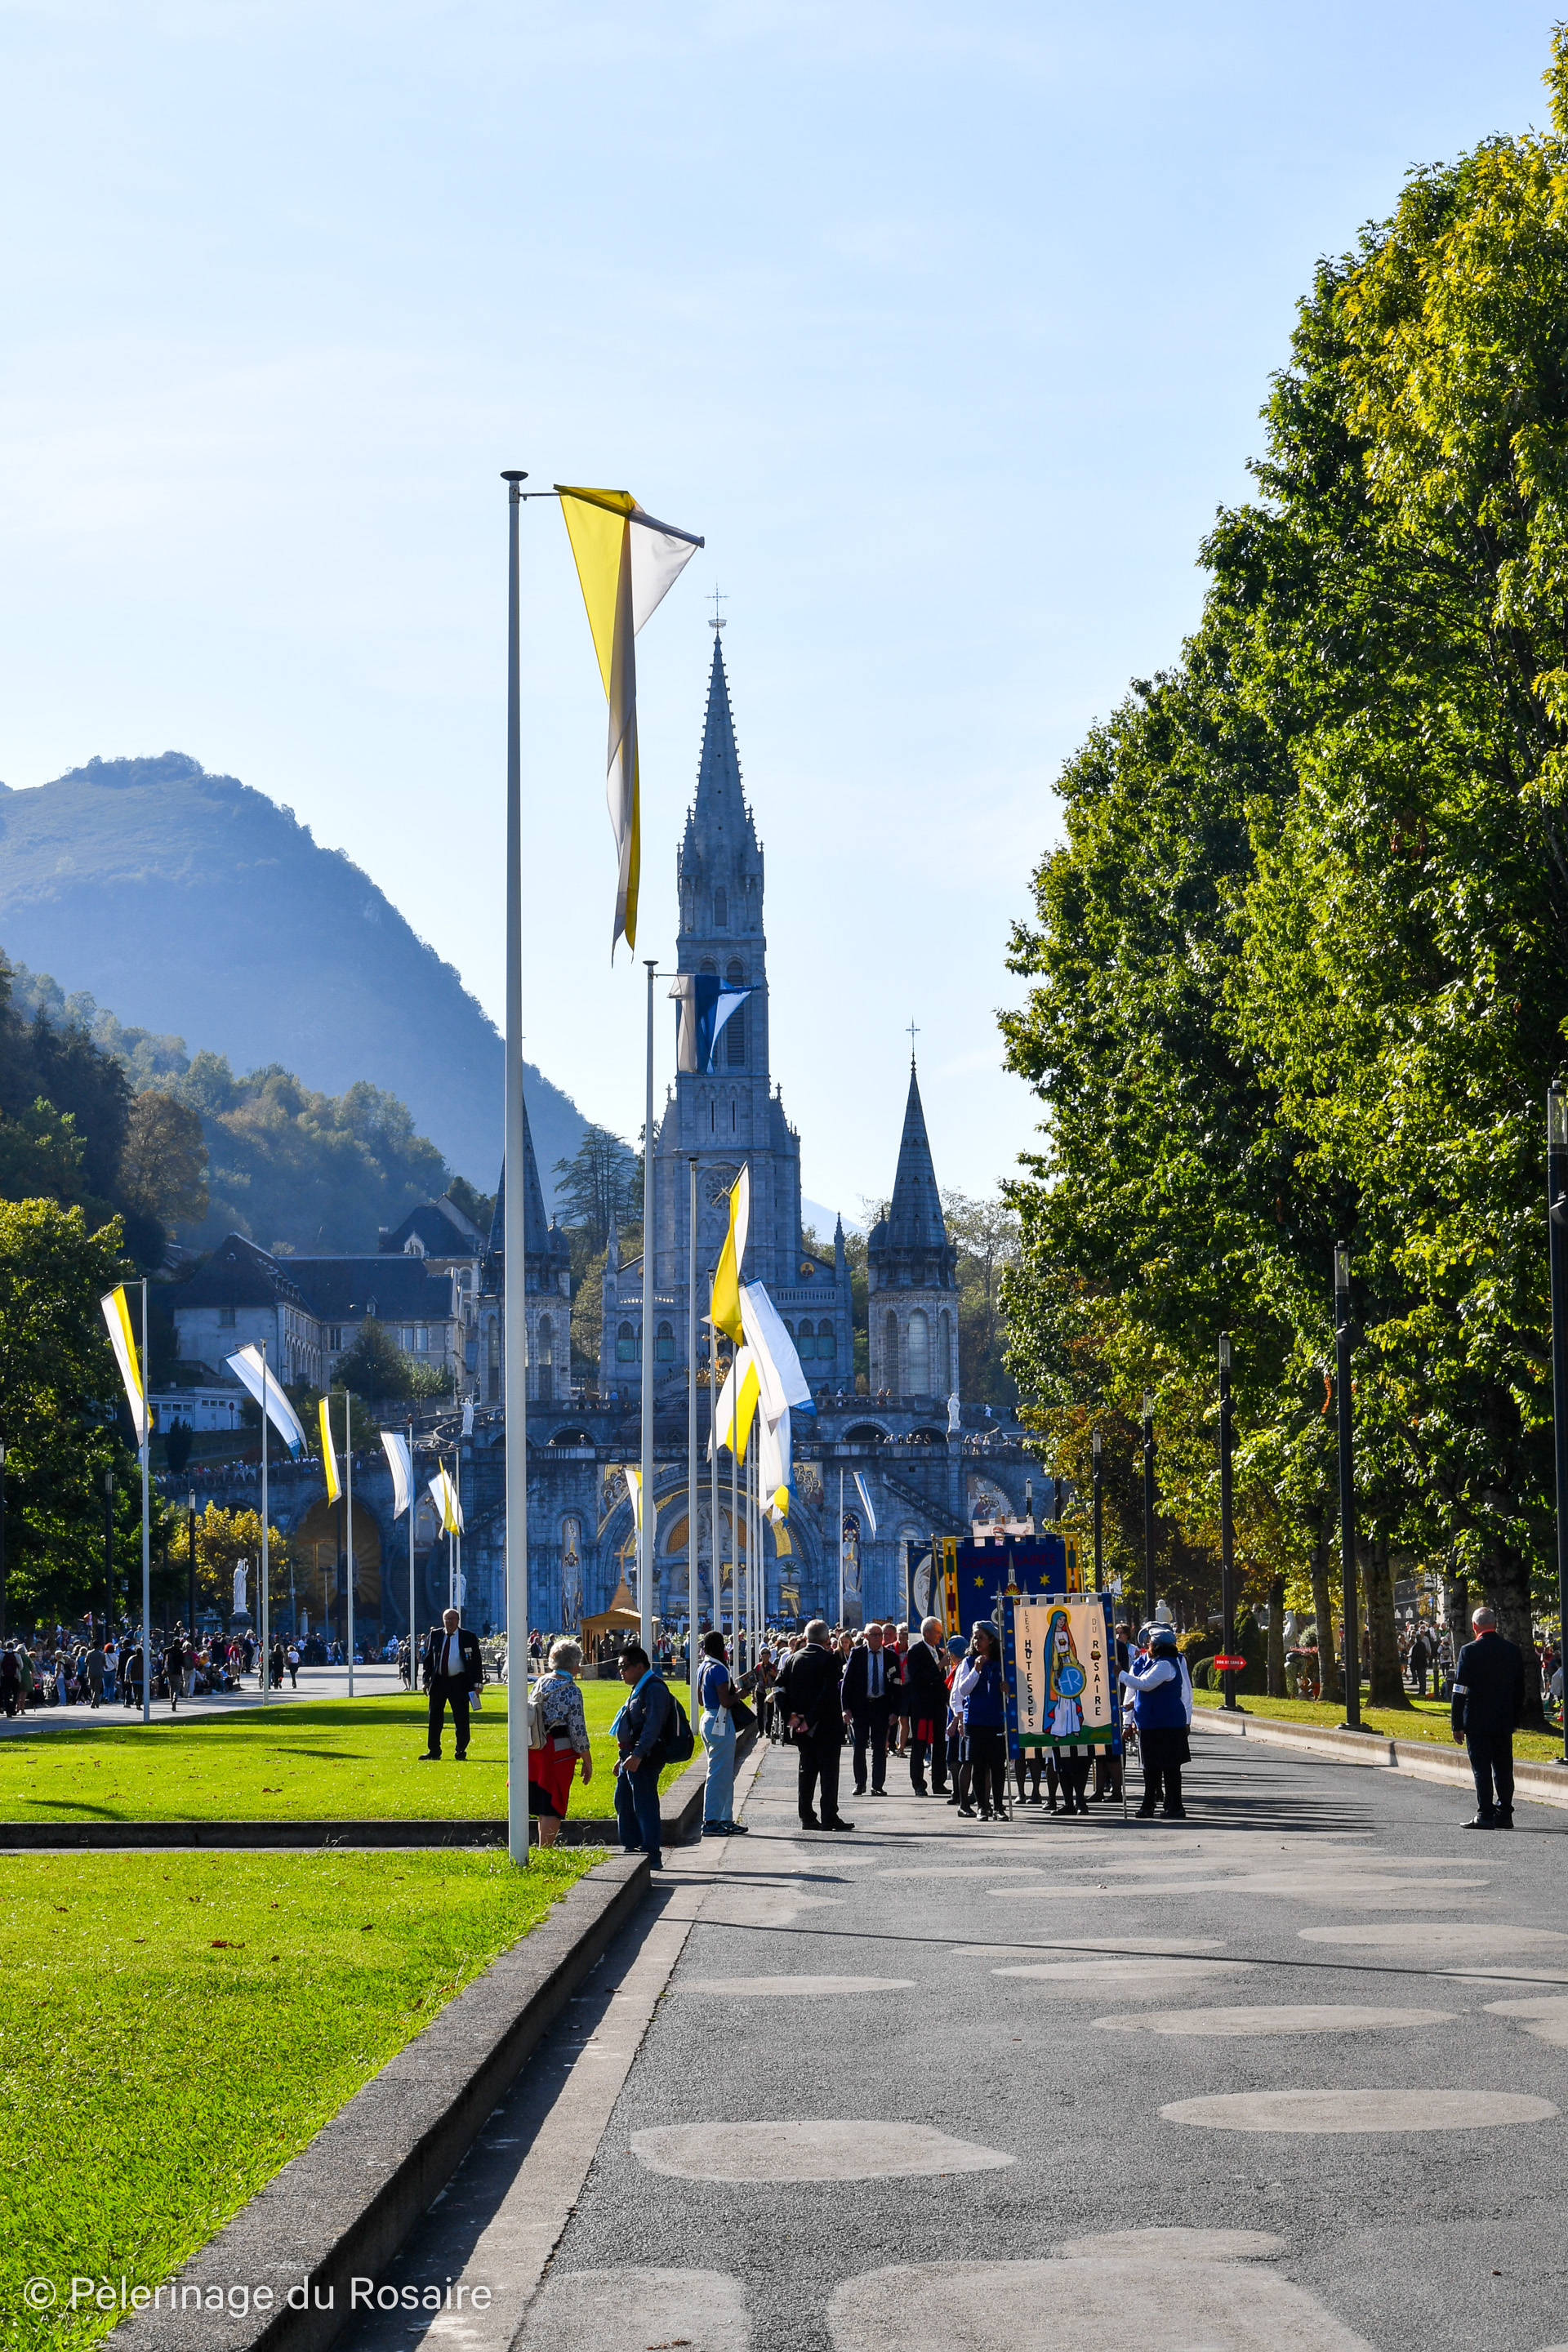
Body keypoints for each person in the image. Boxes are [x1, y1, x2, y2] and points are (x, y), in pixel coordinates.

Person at [1451, 1605, 1526, 1829]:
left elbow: (1460, 1690)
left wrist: (1457, 1723)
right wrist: (1515, 1719)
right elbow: (1520, 1689)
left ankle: (1485, 1814)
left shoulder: (1469, 1651)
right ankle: (1505, 1813)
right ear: (1495, 1624)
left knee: (1481, 1769)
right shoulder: (1512, 1650)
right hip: (1503, 1719)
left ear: (1475, 1626)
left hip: (1476, 1720)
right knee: (1504, 1769)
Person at [777, 1618, 853, 1832]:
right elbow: (827, 1694)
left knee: (806, 1771)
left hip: (800, 1725)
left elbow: (778, 1689)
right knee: (829, 1772)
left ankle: (807, 1816)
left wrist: (790, 1716)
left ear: (806, 1637)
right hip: (826, 1725)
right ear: (827, 1639)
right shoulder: (829, 1660)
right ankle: (829, 1815)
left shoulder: (792, 1659)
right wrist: (810, 1720)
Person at [1121, 1625, 1193, 1819]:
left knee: (1170, 1767)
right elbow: (1137, 1691)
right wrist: (1130, 1710)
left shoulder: (1166, 1664)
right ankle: (1149, 1804)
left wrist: (1120, 1674)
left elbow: (1145, 1684)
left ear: (1158, 1646)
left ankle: (1175, 1806)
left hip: (1167, 1722)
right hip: (1150, 1722)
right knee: (1150, 1767)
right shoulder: (1150, 1662)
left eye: (1150, 1642)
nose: (1148, 1645)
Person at [528, 1638, 593, 1846]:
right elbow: (577, 1730)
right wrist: (587, 1760)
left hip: (535, 1745)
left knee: (542, 1798)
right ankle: (545, 1850)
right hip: (559, 1751)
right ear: (575, 1664)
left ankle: (542, 1847)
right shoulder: (572, 1690)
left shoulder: (540, 1682)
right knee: (553, 1802)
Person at [612, 1643, 671, 1869]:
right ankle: (632, 1847)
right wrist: (623, 1757)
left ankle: (651, 1854)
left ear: (639, 1666)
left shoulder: (653, 1687)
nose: (621, 1671)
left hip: (645, 1757)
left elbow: (653, 1725)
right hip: (630, 1755)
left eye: (624, 1667)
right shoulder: (640, 1686)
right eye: (619, 1667)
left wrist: (637, 1754)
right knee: (623, 1801)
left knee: (645, 1806)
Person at [951, 1622, 1007, 1820]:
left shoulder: (1002, 1662)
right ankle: (982, 1806)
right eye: (974, 1637)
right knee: (978, 1764)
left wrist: (1008, 1690)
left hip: (996, 1720)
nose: (976, 1641)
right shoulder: (968, 1662)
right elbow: (963, 1690)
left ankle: (998, 1806)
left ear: (991, 1639)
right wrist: (976, 1670)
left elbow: (1014, 1691)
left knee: (997, 1765)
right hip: (975, 1720)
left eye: (980, 1637)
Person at [695, 1630, 749, 1838]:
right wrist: (740, 1695)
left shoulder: (703, 1667)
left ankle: (725, 1818)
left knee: (723, 1772)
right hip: (720, 1719)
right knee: (718, 1774)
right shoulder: (718, 1669)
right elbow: (725, 1701)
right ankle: (711, 1820)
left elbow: (701, 1700)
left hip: (708, 1717)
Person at [418, 1608, 483, 1762]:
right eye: (447, 1619)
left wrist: (478, 1684)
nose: (450, 1622)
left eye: (452, 1619)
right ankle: (434, 1751)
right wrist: (426, 1681)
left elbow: (476, 1662)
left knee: (461, 1718)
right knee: (434, 1717)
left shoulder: (468, 1637)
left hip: (460, 1682)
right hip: (439, 1681)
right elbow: (429, 1660)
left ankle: (461, 1750)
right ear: (443, 1621)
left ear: (458, 1620)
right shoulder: (435, 1635)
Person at [840, 1621, 896, 1797]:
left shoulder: (890, 1656)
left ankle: (877, 1785)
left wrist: (895, 1710)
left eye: (880, 1635)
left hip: (881, 1707)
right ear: (866, 1637)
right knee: (859, 1747)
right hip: (861, 1707)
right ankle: (860, 1783)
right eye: (874, 1635)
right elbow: (847, 1683)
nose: (878, 1638)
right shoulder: (857, 1654)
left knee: (879, 1747)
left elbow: (897, 1685)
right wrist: (845, 1708)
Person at [903, 1617, 950, 1796]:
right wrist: (938, 1666)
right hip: (922, 1707)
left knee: (939, 1745)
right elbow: (918, 1678)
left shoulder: (938, 1651)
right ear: (927, 1632)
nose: (939, 1636)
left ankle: (939, 1782)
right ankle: (918, 1784)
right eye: (937, 1632)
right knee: (920, 1744)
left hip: (938, 1707)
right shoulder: (916, 1651)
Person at [1408, 1626, 1432, 1699]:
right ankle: (1422, 1690)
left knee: (1421, 1678)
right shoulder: (1422, 1644)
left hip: (1419, 1664)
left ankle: (1422, 1691)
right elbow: (1426, 1652)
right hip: (1423, 1663)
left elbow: (1414, 1656)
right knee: (1422, 1678)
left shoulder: (1416, 1646)